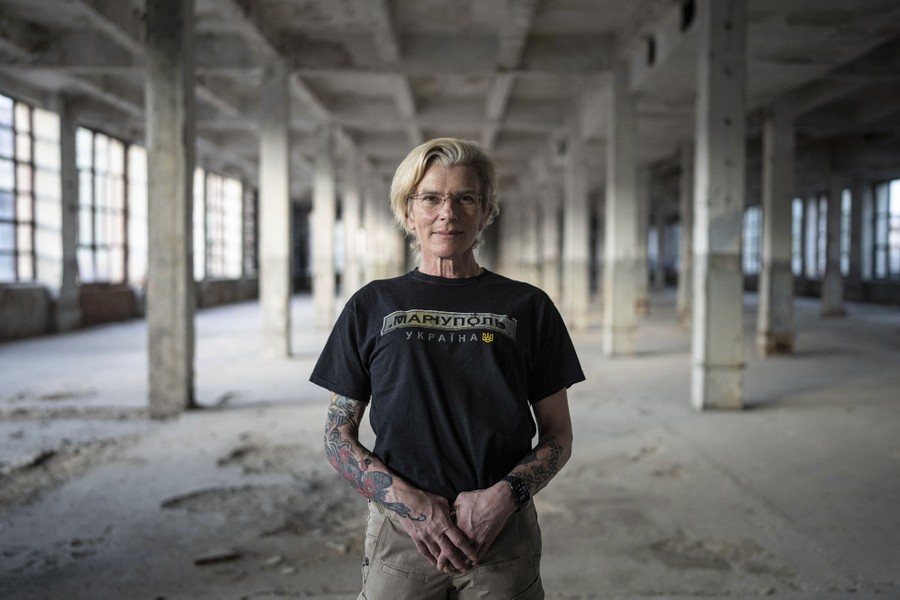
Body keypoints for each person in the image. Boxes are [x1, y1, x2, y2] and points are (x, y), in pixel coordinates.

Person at [310, 137, 584, 599]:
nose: (447, 212)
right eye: (431, 197)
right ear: (407, 211)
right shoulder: (372, 305)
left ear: (485, 210)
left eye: (465, 198)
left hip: (501, 536)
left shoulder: (528, 306)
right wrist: (406, 502)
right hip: (401, 537)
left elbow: (558, 434)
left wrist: (503, 498)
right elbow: (337, 436)